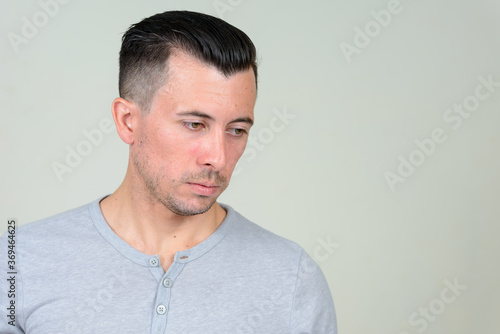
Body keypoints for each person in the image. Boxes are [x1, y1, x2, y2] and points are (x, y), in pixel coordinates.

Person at [1, 10, 337, 333]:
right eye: (194, 124)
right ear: (127, 121)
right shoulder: (18, 263)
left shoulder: (292, 279)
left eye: (236, 130)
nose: (217, 158)